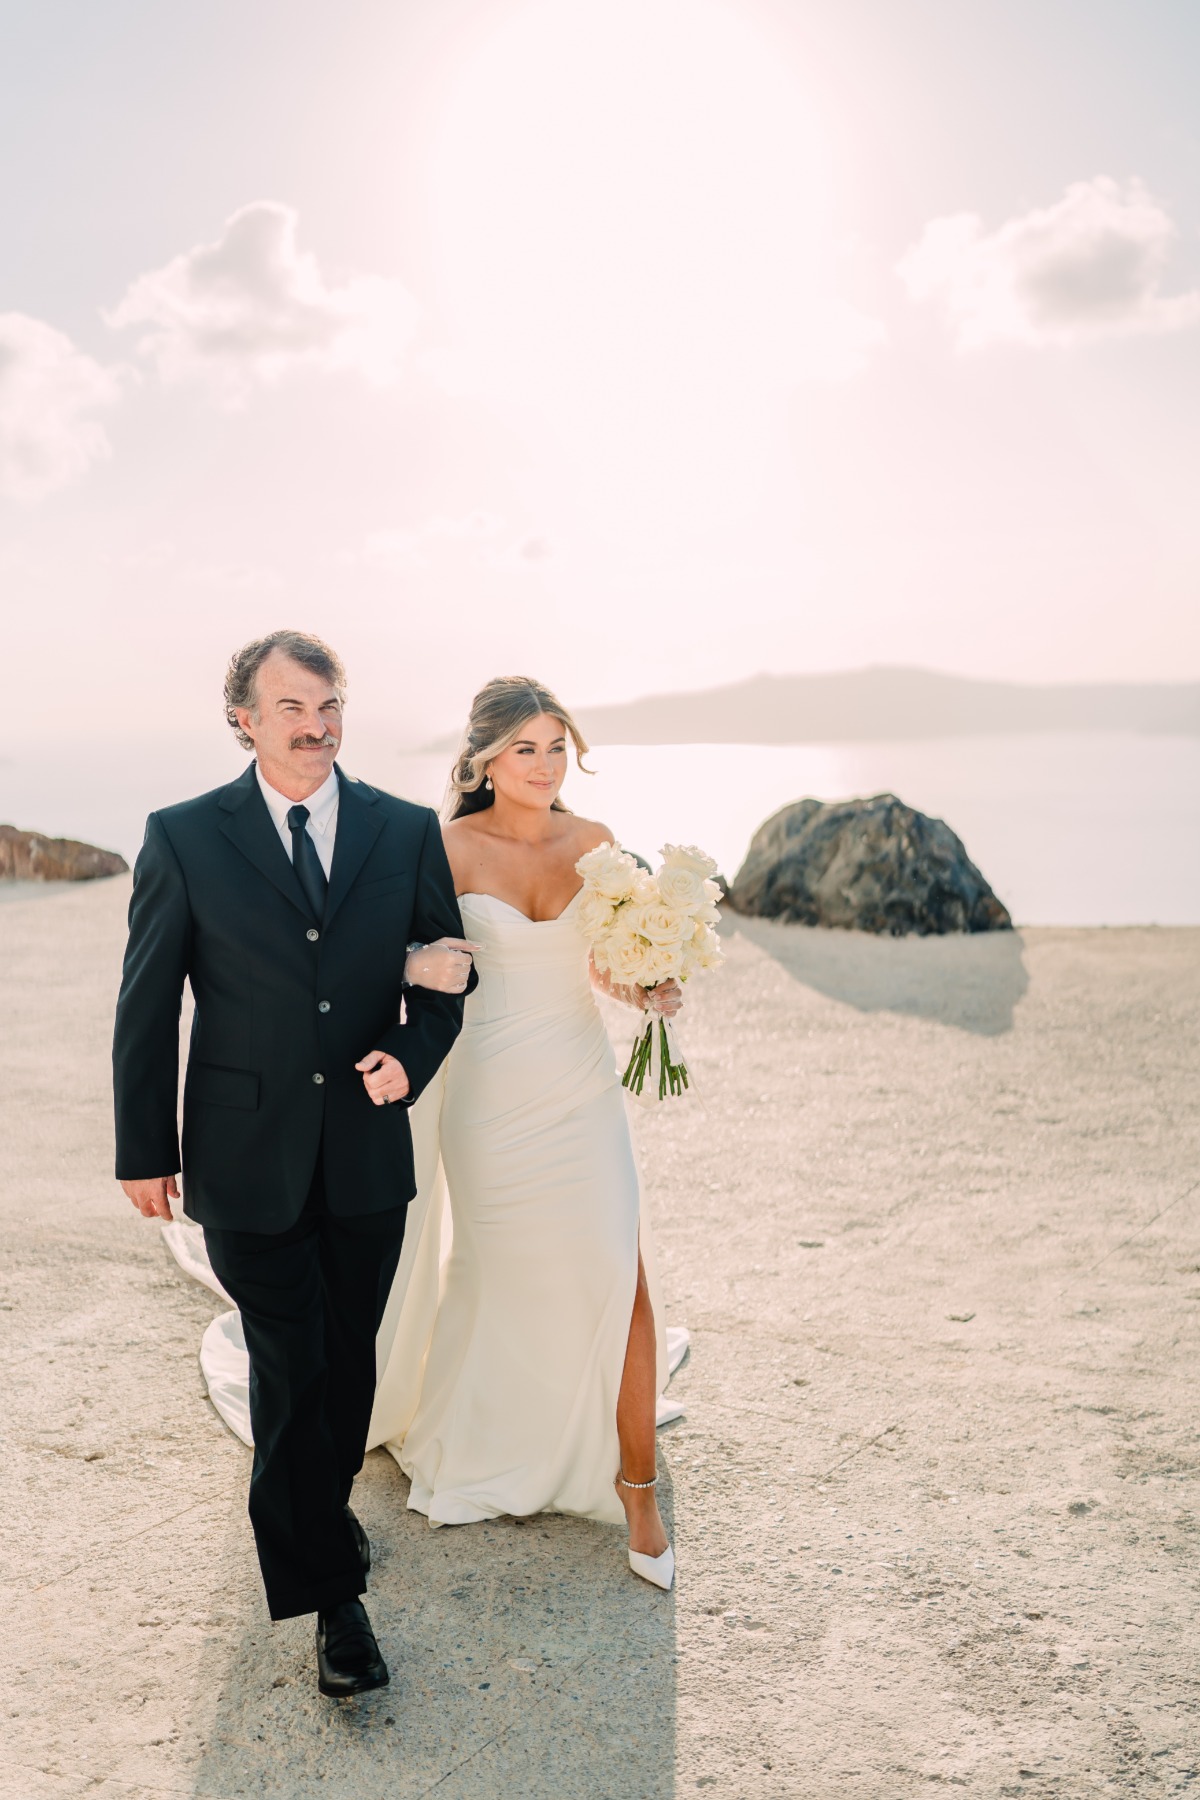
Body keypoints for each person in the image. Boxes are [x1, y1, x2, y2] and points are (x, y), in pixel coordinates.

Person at [112, 630, 476, 1697]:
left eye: (328, 706)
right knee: (291, 1368)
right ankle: (334, 1605)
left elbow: (449, 977)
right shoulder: (181, 837)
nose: (315, 727)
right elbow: (147, 1004)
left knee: (348, 1361)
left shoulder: (404, 831)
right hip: (242, 1153)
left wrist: (408, 1059)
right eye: (290, 709)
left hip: (365, 1152)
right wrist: (145, 1149)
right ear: (243, 717)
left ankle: (319, 1522)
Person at [372, 675, 682, 1589]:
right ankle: (491, 1436)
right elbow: (394, 955)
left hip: (581, 1089)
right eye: (525, 749)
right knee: (500, 1273)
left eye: (556, 746)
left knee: (620, 1274)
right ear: (483, 760)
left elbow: (601, 964)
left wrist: (648, 990)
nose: (545, 766)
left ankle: (637, 1487)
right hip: (489, 1091)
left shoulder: (595, 844)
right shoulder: (449, 846)